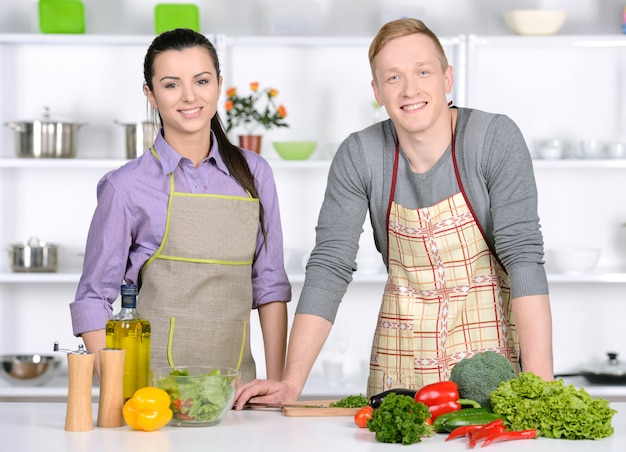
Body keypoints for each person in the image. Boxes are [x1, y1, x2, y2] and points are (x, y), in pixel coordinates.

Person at [235, 18, 553, 407]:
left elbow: (523, 256)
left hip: (492, 361)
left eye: (423, 71)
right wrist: (290, 382)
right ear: (377, 91)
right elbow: (330, 266)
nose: (410, 89)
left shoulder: (493, 138)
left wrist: (539, 389)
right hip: (399, 363)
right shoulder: (361, 155)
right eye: (393, 78)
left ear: (447, 78)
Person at [70, 28, 290, 384]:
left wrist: (277, 384)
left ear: (218, 85)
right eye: (171, 84)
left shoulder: (255, 174)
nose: (190, 96)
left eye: (201, 81)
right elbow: (92, 299)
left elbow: (269, 285)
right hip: (152, 397)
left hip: (236, 395)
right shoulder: (124, 187)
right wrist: (119, 386)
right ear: (151, 95)